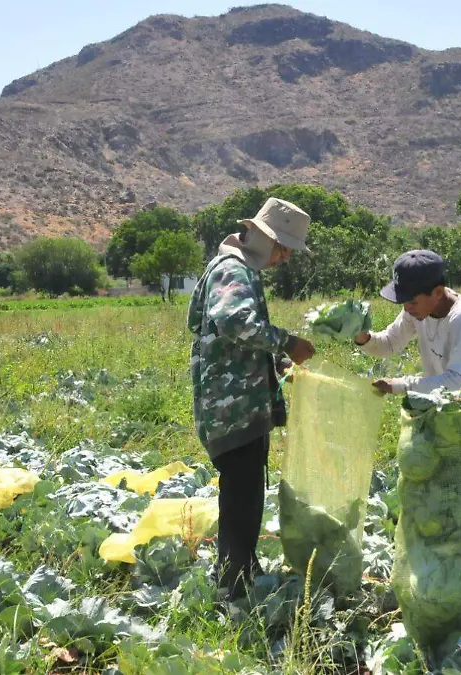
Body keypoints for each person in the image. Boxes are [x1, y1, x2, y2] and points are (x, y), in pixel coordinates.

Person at [188, 196, 316, 598]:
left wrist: (276, 365)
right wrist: (287, 342)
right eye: (284, 249)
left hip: (240, 403)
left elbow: (236, 338)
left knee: (244, 491)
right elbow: (233, 321)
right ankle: (233, 583)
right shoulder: (233, 270)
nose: (285, 259)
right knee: (241, 494)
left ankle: (241, 568)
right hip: (233, 406)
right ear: (265, 238)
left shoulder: (238, 269)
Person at [354, 250, 461, 399]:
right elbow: (390, 343)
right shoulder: (418, 310)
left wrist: (400, 385)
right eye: (404, 301)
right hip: (444, 405)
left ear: (437, 292)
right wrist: (362, 335)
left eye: (412, 301)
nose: (406, 308)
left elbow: (459, 382)